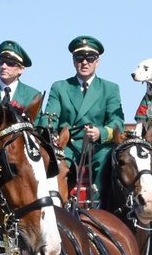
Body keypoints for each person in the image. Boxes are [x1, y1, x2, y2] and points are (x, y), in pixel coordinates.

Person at [43, 36, 124, 203]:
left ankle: (102, 207)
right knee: (54, 161)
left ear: (97, 62)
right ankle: (58, 207)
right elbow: (49, 117)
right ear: (74, 61)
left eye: (90, 59)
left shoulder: (110, 89)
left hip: (97, 147)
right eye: (80, 58)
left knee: (109, 159)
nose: (85, 63)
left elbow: (117, 121)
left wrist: (100, 133)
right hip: (68, 145)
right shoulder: (60, 87)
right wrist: (52, 136)